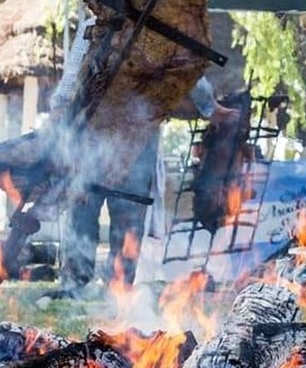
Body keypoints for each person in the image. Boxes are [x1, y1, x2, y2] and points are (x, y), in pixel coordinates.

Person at [50, 16, 238, 298]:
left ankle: (119, 284)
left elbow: (184, 68)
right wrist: (61, 103)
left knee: (128, 207)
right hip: (93, 127)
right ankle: (76, 282)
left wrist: (210, 108)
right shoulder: (97, 19)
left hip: (137, 130)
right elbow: (77, 63)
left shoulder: (158, 20)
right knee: (83, 202)